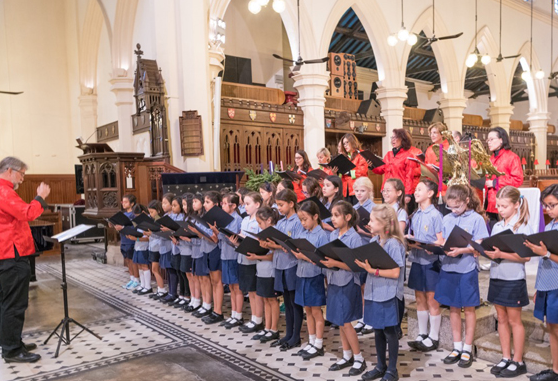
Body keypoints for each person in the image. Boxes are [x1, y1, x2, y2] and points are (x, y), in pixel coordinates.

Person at [0, 156, 50, 363]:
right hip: (12, 255)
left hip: (7, 254)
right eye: (21, 174)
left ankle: (11, 342)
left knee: (7, 303)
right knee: (14, 304)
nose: (22, 179)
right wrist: (40, 197)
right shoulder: (4, 192)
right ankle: (11, 350)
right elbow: (28, 213)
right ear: (10, 171)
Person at [435, 184, 489, 368]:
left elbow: (479, 245)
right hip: (448, 267)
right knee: (453, 308)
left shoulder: (476, 219)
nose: (454, 210)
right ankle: (456, 346)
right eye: (450, 207)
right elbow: (441, 240)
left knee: (469, 308)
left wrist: (463, 249)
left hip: (466, 268)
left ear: (467, 201)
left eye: (458, 206)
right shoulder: (447, 218)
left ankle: (467, 348)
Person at [482, 186, 531, 378]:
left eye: (504, 206)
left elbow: (526, 258)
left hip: (513, 279)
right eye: (498, 206)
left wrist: (501, 254)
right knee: (500, 318)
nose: (500, 209)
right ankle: (506, 357)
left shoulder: (523, 226)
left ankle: (518, 360)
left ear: (516, 204)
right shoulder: (497, 226)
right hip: (497, 276)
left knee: (514, 320)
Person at [357, 204, 406, 381]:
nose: (368, 223)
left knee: (390, 332)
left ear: (385, 224)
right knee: (378, 331)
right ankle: (380, 366)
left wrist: (372, 271)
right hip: (373, 291)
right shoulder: (373, 242)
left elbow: (395, 273)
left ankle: (392, 370)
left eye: (372, 220)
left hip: (389, 294)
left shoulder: (393, 244)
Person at [321, 201, 367, 377]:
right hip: (333, 280)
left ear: (347, 217)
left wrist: (335, 263)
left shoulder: (354, 238)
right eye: (332, 215)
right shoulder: (333, 235)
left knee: (347, 322)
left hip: (348, 282)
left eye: (336, 215)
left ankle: (358, 358)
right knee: (339, 321)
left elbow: (356, 266)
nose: (332, 219)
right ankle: (346, 354)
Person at [524, 184, 558, 381]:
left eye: (552, 205)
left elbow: (548, 255)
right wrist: (539, 286)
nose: (547, 210)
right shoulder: (551, 225)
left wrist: (545, 253)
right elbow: (544, 262)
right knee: (552, 328)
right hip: (548, 283)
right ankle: (556, 370)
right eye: (545, 206)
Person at [406, 179, 443, 353]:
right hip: (417, 259)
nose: (415, 192)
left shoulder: (435, 215)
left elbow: (440, 240)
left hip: (431, 262)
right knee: (419, 298)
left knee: (431, 300)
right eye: (415, 189)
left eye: (419, 189)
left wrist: (429, 245)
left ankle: (433, 337)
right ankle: (422, 334)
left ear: (430, 193)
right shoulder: (415, 215)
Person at [292, 200, 329, 360]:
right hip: (301, 274)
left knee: (315, 310)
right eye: (301, 219)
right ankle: (312, 340)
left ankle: (319, 343)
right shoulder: (302, 232)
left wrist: (304, 256)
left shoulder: (321, 234)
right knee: (307, 309)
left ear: (315, 216)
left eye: (305, 219)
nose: (303, 222)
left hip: (314, 275)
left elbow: (322, 258)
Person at [249, 207, 281, 343]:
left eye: (260, 223)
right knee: (265, 299)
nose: (258, 225)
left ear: (269, 220)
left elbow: (274, 255)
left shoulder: (275, 233)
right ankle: (267, 327)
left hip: (271, 271)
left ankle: (274, 329)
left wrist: (259, 254)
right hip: (261, 269)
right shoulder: (262, 233)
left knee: (272, 300)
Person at [485, 127, 524, 228]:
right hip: (489, 203)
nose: (488, 142)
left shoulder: (512, 157)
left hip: (504, 204)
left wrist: (494, 183)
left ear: (501, 140)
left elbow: (518, 179)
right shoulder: (490, 159)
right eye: (488, 140)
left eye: (491, 139)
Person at [372, 129, 417, 210]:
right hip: (386, 191)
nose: (393, 140)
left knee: (398, 215)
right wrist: (372, 166)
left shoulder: (409, 156)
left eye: (395, 137)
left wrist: (408, 194)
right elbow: (381, 170)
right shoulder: (388, 155)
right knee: (386, 215)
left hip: (399, 191)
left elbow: (409, 177)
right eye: (392, 137)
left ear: (403, 139)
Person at [336, 133, 369, 204]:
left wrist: (348, 172)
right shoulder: (345, 157)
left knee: (357, 212)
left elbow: (363, 171)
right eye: (344, 144)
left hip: (358, 189)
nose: (345, 145)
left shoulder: (361, 154)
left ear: (352, 142)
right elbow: (341, 176)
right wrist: (337, 172)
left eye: (347, 142)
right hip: (346, 190)